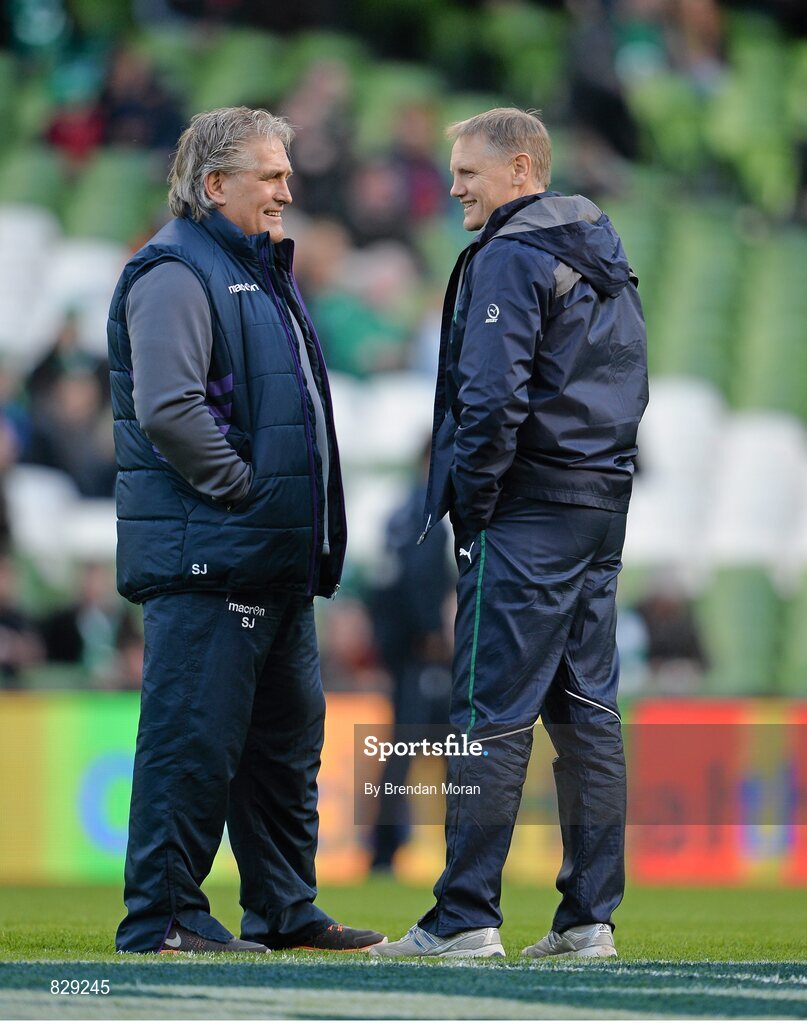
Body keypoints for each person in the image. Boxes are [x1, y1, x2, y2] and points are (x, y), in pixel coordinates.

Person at [108, 106, 385, 955]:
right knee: (193, 744)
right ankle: (164, 920)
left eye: (285, 174)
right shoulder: (173, 272)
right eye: (269, 176)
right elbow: (168, 407)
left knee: (281, 751)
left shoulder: (254, 270)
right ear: (214, 183)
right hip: (212, 559)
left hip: (266, 561)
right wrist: (245, 493)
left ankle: (283, 909)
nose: (286, 191)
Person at [373, 108, 648, 960]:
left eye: (466, 171)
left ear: (520, 169)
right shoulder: (604, 251)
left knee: (487, 714)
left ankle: (463, 918)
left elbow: (491, 398)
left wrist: (477, 501)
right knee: (587, 714)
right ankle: (586, 921)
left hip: (526, 510)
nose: (453, 185)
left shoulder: (512, 253)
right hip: (598, 506)